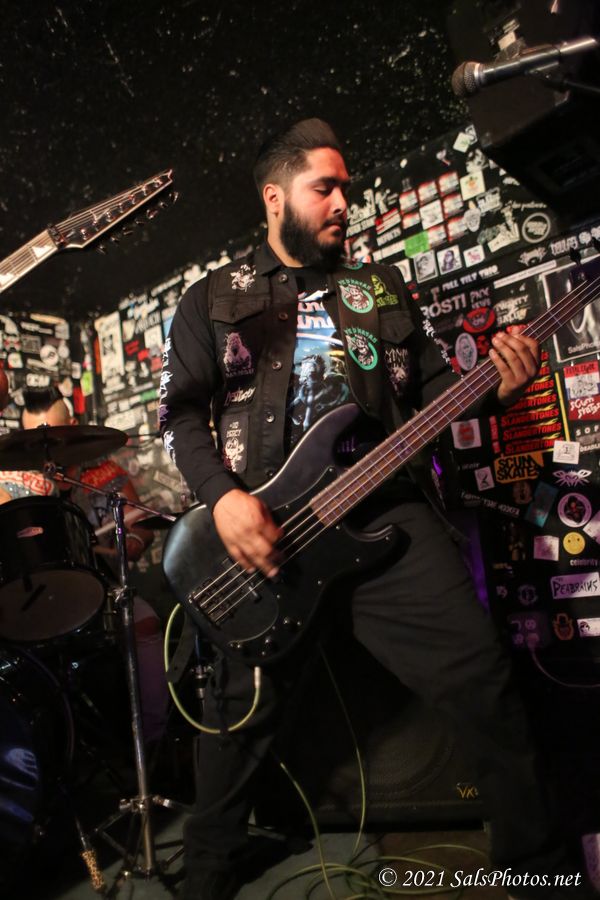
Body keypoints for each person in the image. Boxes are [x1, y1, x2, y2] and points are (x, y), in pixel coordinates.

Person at [160, 119, 589, 900]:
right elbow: (182, 416)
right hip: (268, 532)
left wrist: (496, 384)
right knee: (237, 725)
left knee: (485, 684)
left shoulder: (379, 289)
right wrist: (223, 501)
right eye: (324, 188)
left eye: (346, 189)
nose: (342, 204)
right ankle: (206, 880)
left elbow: (432, 393)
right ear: (274, 197)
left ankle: (540, 872)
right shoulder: (213, 299)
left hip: (387, 514)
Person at [0, 385, 169, 745]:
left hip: (97, 585)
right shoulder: (8, 481)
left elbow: (141, 529)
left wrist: (130, 543)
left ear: (72, 427)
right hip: (31, 594)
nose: (46, 450)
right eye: (34, 441)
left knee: (144, 622)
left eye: (53, 439)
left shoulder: (105, 473)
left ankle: (154, 742)